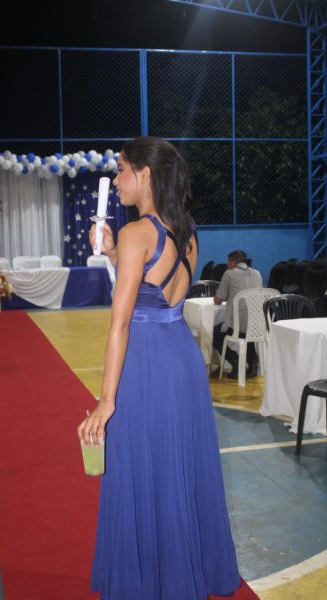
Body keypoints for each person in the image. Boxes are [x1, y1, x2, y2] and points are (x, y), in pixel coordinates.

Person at [77, 137, 258, 600]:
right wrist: (112, 252)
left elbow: (121, 323)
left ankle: (147, 581)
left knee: (141, 467)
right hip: (180, 358)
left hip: (144, 362)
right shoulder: (188, 232)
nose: (116, 179)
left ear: (145, 174)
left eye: (122, 169)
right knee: (178, 467)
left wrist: (106, 400)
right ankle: (182, 575)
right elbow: (156, 288)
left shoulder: (137, 233)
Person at [213, 250, 263, 379]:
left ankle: (235, 361)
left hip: (239, 327)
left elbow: (218, 300)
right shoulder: (257, 273)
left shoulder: (229, 274)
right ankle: (253, 361)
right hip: (258, 325)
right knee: (247, 329)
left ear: (233, 262)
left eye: (228, 261)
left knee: (214, 333)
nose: (227, 264)